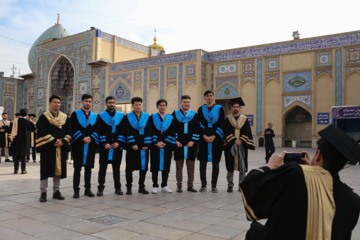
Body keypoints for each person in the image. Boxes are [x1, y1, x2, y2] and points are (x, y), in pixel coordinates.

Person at [240, 125, 360, 240]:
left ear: (318, 155)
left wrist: (270, 165)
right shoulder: (353, 201)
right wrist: (312, 171)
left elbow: (250, 187)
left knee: (254, 230)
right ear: (343, 164)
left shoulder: (294, 174)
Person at [36, 95, 71, 202]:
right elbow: (41, 131)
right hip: (48, 147)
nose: (57, 104)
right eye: (55, 102)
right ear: (50, 103)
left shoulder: (65, 117)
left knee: (58, 170)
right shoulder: (44, 117)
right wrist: (54, 141)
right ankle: (43, 192)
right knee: (45, 170)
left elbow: (69, 131)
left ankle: (56, 191)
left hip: (61, 147)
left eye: (59, 102)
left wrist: (63, 141)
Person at [223, 97, 255, 192]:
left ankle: (242, 184)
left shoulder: (244, 119)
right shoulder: (227, 119)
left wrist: (240, 140)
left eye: (237, 107)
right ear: (231, 108)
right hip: (230, 146)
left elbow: (247, 131)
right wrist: (234, 140)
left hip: (242, 146)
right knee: (230, 165)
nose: (235, 108)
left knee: (242, 165)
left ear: (240, 108)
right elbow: (226, 131)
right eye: (234, 107)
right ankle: (230, 184)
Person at [96, 96, 126, 196]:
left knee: (116, 168)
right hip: (105, 147)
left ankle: (118, 188)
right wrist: (104, 143)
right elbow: (99, 131)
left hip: (116, 147)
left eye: (113, 102)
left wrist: (119, 142)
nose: (111, 104)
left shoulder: (121, 116)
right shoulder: (100, 116)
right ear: (106, 104)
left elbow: (123, 131)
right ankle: (100, 188)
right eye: (109, 103)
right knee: (102, 169)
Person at [70, 94, 98, 198]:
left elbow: (97, 129)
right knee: (77, 169)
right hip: (78, 145)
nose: (88, 103)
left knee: (88, 169)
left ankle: (88, 189)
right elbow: (73, 128)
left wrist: (91, 138)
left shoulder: (95, 116)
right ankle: (76, 190)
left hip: (90, 145)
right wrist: (82, 138)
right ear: (82, 102)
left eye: (90, 101)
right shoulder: (75, 114)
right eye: (86, 101)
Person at [197, 90, 225, 192]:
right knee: (202, 163)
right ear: (204, 98)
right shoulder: (201, 109)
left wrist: (214, 135)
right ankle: (203, 184)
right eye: (207, 96)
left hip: (216, 140)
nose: (209, 98)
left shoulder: (220, 109)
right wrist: (204, 136)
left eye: (211, 96)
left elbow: (222, 123)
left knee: (215, 163)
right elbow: (199, 124)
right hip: (204, 140)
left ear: (213, 97)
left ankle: (214, 185)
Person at [124, 97, 152, 195]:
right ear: (132, 105)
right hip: (133, 147)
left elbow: (149, 131)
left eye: (139, 104)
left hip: (143, 147)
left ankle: (141, 186)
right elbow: (127, 131)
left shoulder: (147, 117)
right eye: (136, 104)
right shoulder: (127, 117)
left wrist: (147, 144)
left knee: (143, 167)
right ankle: (129, 187)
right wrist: (132, 144)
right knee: (129, 168)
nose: (138, 106)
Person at [172, 95, 199, 193]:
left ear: (190, 103)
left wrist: (193, 141)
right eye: (184, 102)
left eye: (188, 102)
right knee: (179, 166)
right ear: (181, 103)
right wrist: (175, 141)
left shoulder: (194, 115)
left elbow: (197, 129)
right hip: (179, 144)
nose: (186, 104)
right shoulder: (175, 114)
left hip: (190, 144)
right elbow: (172, 128)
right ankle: (179, 185)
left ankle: (190, 186)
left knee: (191, 166)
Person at [150, 99, 176, 194]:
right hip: (155, 146)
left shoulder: (171, 118)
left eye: (164, 105)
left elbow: (172, 132)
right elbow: (151, 131)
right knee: (155, 166)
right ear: (157, 107)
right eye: (160, 105)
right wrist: (156, 142)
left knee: (166, 166)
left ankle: (164, 185)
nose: (162, 107)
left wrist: (164, 142)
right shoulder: (152, 117)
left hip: (166, 147)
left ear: (166, 106)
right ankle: (155, 185)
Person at [10, 109, 35, 174]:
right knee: (23, 155)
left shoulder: (15, 121)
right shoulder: (28, 122)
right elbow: (33, 129)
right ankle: (23, 170)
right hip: (25, 141)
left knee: (16, 155)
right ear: (26, 115)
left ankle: (16, 170)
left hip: (16, 139)